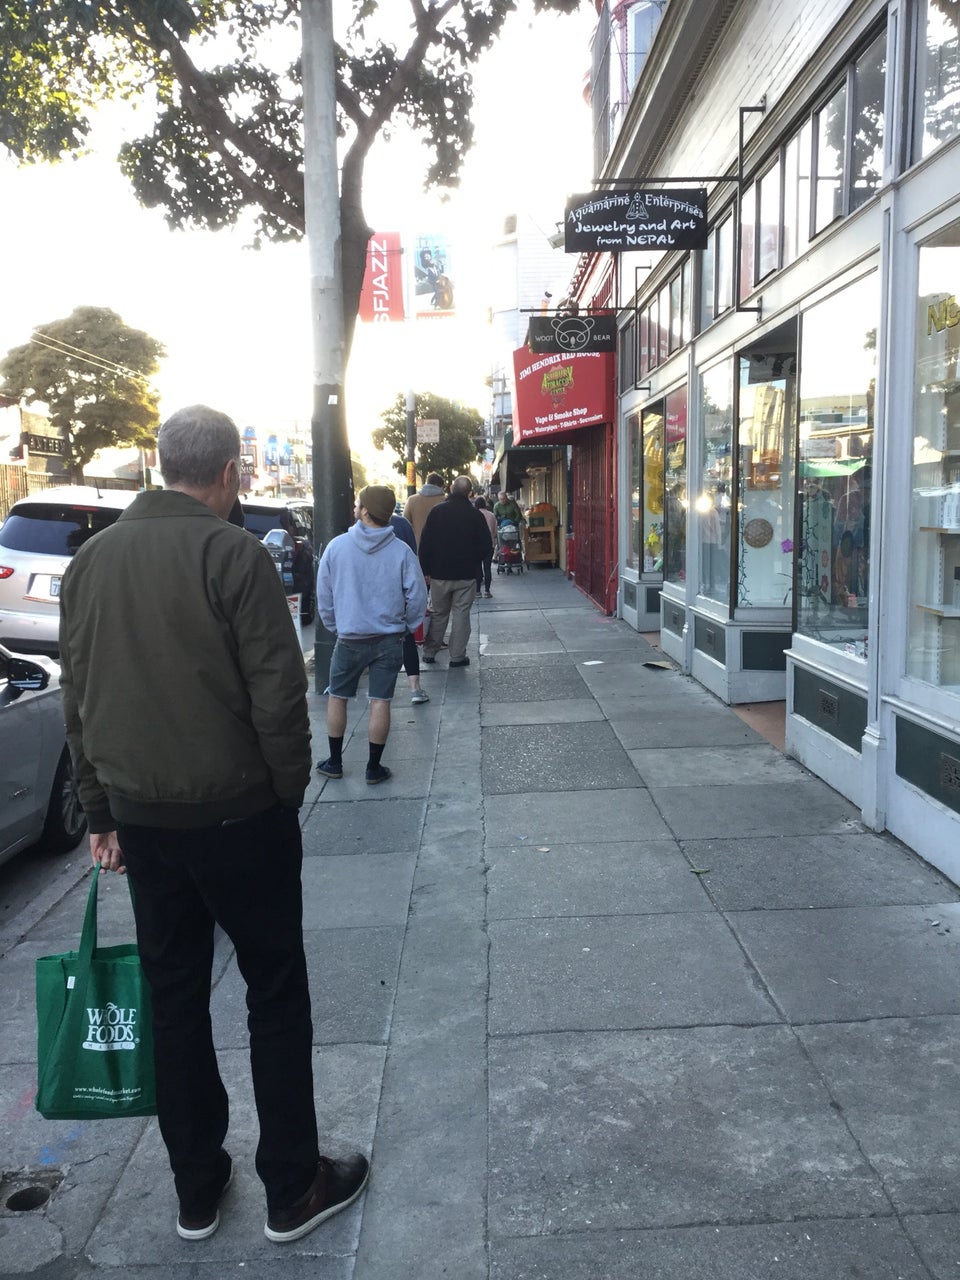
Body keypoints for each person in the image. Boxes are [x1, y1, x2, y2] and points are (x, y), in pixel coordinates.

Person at [57, 405, 369, 1245]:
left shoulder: (90, 563)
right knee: (274, 992)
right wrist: (284, 793)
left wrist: (99, 813)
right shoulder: (232, 553)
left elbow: (77, 702)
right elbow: (278, 691)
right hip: (239, 813)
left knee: (175, 998)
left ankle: (197, 1188)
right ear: (231, 472)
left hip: (143, 821)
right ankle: (291, 1185)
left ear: (164, 466)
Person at [315, 485, 427, 782]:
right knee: (381, 701)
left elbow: (324, 597)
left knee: (337, 696)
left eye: (358, 503)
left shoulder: (336, 548)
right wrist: (406, 627)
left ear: (365, 511)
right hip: (389, 638)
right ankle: (373, 767)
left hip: (350, 638)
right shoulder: (401, 551)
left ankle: (335, 762)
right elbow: (417, 596)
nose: (355, 507)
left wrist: (336, 626)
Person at [418, 476, 492, 667]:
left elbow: (425, 543)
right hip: (466, 574)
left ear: (451, 488)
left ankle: (430, 652)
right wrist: (475, 562)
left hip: (440, 574)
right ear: (470, 493)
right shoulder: (475, 515)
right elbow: (486, 545)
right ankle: (457, 656)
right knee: (461, 615)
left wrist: (426, 569)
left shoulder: (437, 512)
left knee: (438, 613)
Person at [390, 508, 430, 704]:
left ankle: (378, 691)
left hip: (373, 602)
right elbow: (413, 555)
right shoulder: (402, 525)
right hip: (400, 592)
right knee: (406, 639)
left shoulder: (356, 531)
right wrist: (413, 620)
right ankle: (415, 687)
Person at [403, 472, 446, 545]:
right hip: (441, 546)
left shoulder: (412, 500)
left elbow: (405, 523)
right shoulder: (446, 501)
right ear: (440, 486)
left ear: (427, 483)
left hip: (417, 545)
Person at [474, 496, 497, 598]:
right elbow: (495, 531)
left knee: (478, 568)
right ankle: (487, 591)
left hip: (477, 545)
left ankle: (478, 591)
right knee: (487, 568)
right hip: (489, 544)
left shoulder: (473, 515)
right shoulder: (491, 515)